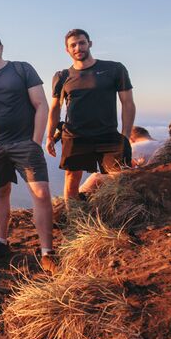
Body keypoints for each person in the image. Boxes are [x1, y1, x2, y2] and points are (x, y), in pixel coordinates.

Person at [0, 34, 55, 272]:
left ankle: (47, 251)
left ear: (1, 47)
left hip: (24, 142)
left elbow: (41, 104)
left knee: (41, 193)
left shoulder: (21, 69)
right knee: (1, 192)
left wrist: (36, 142)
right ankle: (1, 242)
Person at [46, 28, 136, 207]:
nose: (78, 47)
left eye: (81, 43)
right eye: (73, 45)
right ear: (67, 50)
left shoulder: (114, 69)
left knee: (120, 178)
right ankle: (73, 216)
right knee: (72, 177)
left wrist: (125, 135)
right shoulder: (62, 76)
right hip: (75, 135)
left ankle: (117, 215)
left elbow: (128, 103)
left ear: (90, 44)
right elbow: (55, 107)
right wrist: (49, 135)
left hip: (108, 134)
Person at [79, 125, 161, 194]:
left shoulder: (134, 147)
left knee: (95, 177)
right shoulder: (164, 144)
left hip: (141, 182)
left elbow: (126, 169)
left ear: (131, 139)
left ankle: (72, 202)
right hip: (160, 181)